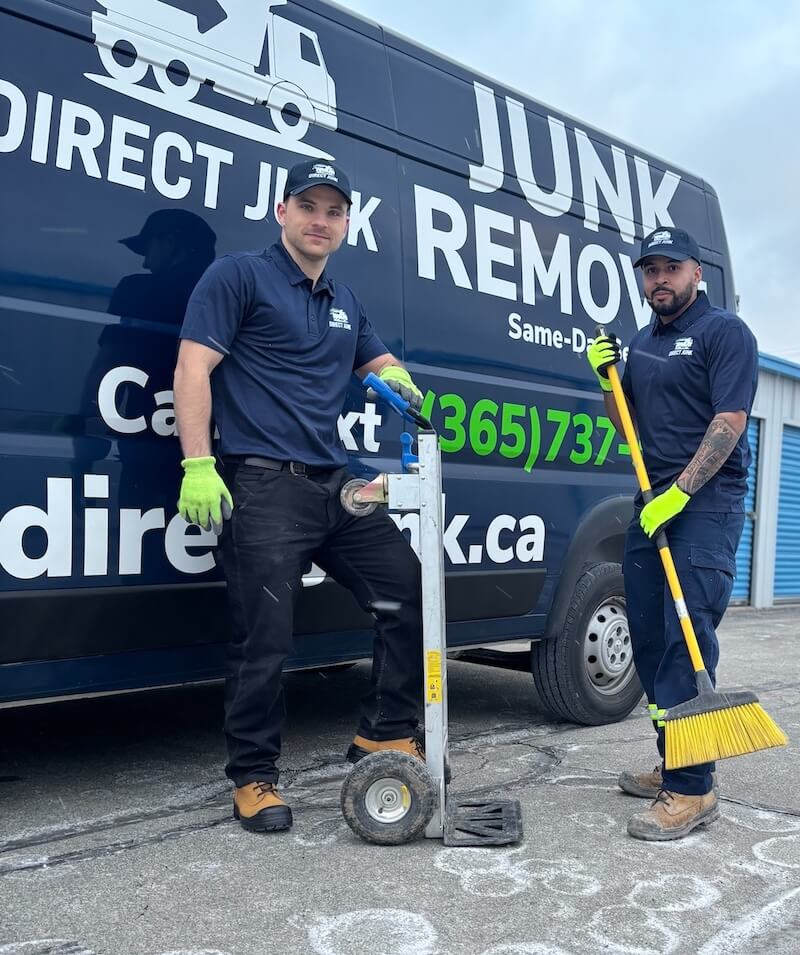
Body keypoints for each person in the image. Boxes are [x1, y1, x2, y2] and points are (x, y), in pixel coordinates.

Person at [173, 159, 426, 834]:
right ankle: (254, 776)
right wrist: (198, 463)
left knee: (407, 584)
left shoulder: (345, 300)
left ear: (346, 223)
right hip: (260, 482)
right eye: (308, 206)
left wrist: (401, 380)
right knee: (266, 634)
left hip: (333, 482)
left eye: (334, 211)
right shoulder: (238, 276)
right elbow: (193, 364)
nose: (321, 220)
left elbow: (379, 361)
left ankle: (385, 733)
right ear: (282, 211)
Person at [586, 226, 758, 841]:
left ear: (697, 273)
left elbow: (729, 420)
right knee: (652, 640)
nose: (660, 278)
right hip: (649, 503)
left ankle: (694, 788)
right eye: (650, 269)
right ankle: (672, 760)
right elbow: (623, 421)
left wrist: (681, 494)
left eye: (672, 267)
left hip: (704, 508)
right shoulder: (639, 341)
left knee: (688, 643)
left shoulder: (724, 333)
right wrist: (609, 379)